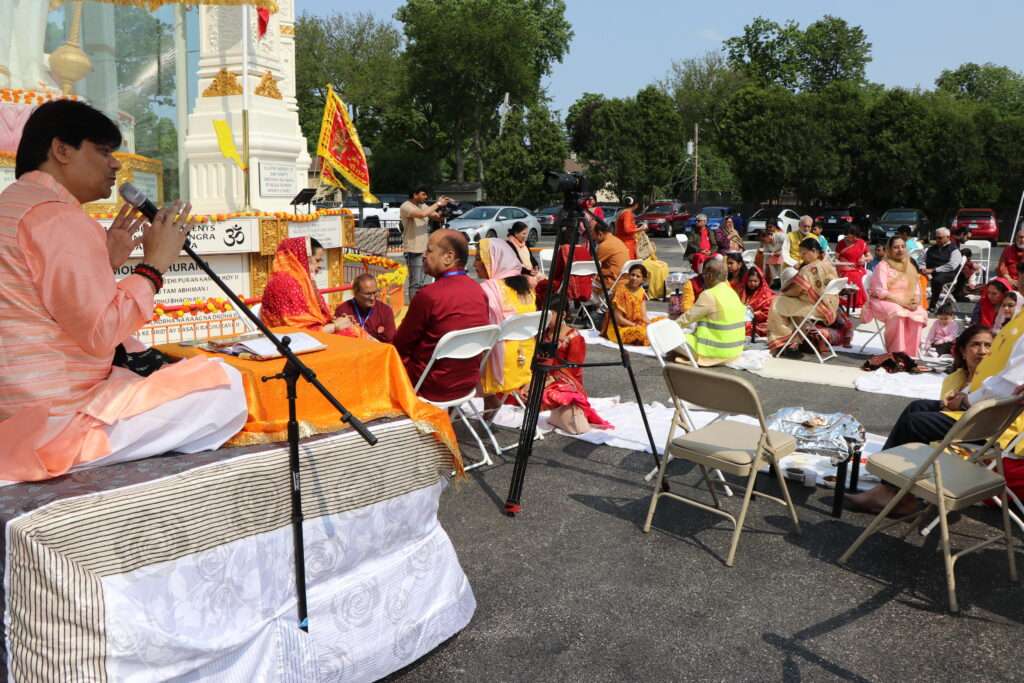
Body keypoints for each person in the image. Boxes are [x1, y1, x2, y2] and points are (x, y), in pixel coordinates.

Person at [0, 99, 247, 482]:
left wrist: (103, 261)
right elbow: (100, 333)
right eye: (102, 151)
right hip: (52, 424)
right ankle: (88, 455)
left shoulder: (13, 206)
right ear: (61, 150)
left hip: (13, 409)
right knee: (226, 385)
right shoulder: (58, 217)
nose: (115, 164)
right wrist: (153, 266)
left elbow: (38, 300)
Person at [846, 324, 1024, 515]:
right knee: (917, 407)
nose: (982, 352)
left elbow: (1005, 384)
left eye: (987, 346)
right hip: (982, 413)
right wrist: (958, 400)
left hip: (994, 424)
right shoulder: (958, 377)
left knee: (914, 424)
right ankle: (890, 487)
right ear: (962, 351)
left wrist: (965, 401)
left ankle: (895, 493)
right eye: (975, 345)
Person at [393, 230, 489, 402]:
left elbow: (400, 345)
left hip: (431, 385)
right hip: (467, 382)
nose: (423, 256)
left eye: (429, 251)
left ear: (448, 257)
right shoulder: (478, 290)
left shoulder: (429, 295)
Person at [474, 238, 536, 399]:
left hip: (498, 366)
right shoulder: (527, 288)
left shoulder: (488, 289)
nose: (475, 264)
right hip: (525, 362)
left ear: (496, 260)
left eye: (480, 259)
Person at [540, 306, 613, 433]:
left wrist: (552, 377)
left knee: (555, 396)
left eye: (550, 314)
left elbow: (574, 369)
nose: (546, 318)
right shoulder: (542, 333)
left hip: (567, 383)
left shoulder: (575, 338)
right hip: (543, 376)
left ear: (562, 314)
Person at [767, 238, 845, 356]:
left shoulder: (808, 269)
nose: (802, 257)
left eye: (804, 253)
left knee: (777, 302)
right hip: (830, 307)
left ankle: (783, 342)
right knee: (794, 307)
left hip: (816, 308)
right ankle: (796, 341)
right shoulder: (828, 263)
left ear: (813, 251)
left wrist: (784, 292)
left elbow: (796, 291)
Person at [860, 236, 929, 356]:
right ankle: (896, 353)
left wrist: (916, 301)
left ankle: (910, 354)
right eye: (896, 247)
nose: (900, 250)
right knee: (898, 313)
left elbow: (916, 288)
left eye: (902, 247)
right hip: (884, 301)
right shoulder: (883, 266)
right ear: (889, 250)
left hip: (906, 302)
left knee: (919, 313)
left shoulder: (909, 265)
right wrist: (903, 302)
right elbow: (880, 291)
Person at [675, 258, 746, 365]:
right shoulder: (731, 292)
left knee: (670, 338)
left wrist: (669, 328)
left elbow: (687, 318)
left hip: (714, 352)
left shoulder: (709, 294)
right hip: (735, 351)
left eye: (704, 275)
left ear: (710, 275)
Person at [260, 236, 338, 332]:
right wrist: (335, 327)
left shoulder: (304, 282)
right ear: (302, 258)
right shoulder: (283, 284)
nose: (318, 267)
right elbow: (296, 332)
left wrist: (336, 321)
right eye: (317, 261)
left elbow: (320, 314)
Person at [400, 186, 450, 299]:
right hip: (413, 249)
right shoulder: (406, 206)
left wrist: (444, 210)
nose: (426, 197)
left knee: (422, 283)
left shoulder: (422, 205)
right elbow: (422, 214)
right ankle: (413, 309)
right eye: (423, 194)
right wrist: (438, 203)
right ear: (415, 194)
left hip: (424, 250)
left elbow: (436, 217)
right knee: (415, 283)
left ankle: (420, 306)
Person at [333, 273, 396, 343]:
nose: (372, 298)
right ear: (356, 293)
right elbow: (337, 340)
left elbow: (389, 342)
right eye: (368, 294)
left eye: (375, 292)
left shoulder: (385, 311)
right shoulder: (342, 310)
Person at [604, 263, 657, 345]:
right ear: (628, 276)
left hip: (636, 323)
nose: (634, 278)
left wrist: (652, 326)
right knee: (641, 333)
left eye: (638, 276)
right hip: (620, 327)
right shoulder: (621, 291)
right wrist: (635, 325)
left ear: (643, 280)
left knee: (661, 322)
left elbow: (644, 316)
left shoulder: (641, 291)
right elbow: (619, 319)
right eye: (632, 275)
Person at [922, 227, 963, 309]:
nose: (937, 240)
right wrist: (922, 268)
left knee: (937, 280)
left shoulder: (954, 250)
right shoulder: (930, 249)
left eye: (940, 238)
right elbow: (922, 260)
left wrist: (933, 270)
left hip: (948, 273)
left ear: (948, 237)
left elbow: (952, 266)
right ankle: (918, 302)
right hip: (929, 272)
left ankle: (932, 305)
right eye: (936, 237)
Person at [835, 225, 870, 308]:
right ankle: (849, 301)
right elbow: (835, 258)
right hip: (843, 268)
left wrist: (864, 259)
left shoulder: (861, 242)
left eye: (856, 237)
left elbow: (870, 257)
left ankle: (857, 301)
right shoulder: (841, 243)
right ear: (848, 234)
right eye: (852, 237)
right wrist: (841, 264)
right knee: (851, 276)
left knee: (857, 276)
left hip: (857, 268)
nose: (855, 239)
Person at [739, 265, 774, 340]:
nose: (752, 284)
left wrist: (754, 313)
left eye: (755, 281)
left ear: (760, 281)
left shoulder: (766, 294)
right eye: (750, 281)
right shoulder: (743, 292)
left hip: (760, 323)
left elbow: (767, 313)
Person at [593, 219, 628, 290]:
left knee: (585, 277)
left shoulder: (604, 245)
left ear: (600, 234)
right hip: (624, 276)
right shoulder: (616, 240)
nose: (594, 239)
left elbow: (593, 266)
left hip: (613, 280)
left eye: (594, 236)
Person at [614, 195, 645, 260]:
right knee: (629, 264)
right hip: (627, 243)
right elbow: (627, 229)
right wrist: (640, 228)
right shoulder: (627, 213)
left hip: (621, 241)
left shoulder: (621, 212)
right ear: (636, 205)